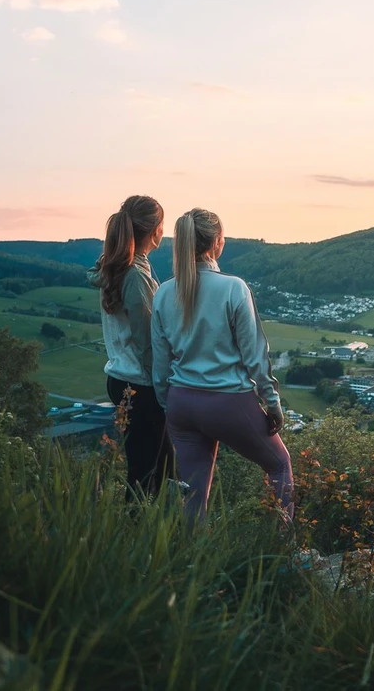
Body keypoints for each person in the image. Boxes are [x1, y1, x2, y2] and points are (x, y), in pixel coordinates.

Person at [151, 207, 292, 522]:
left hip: (181, 402)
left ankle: (191, 560)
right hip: (228, 401)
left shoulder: (163, 293)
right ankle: (284, 549)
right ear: (216, 242)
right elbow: (255, 356)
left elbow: (160, 365)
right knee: (279, 465)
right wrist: (272, 404)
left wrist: (168, 405)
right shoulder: (233, 288)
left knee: (193, 492)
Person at [86, 195, 172, 498]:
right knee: (144, 474)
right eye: (162, 224)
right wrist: (162, 385)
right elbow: (146, 339)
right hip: (141, 384)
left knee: (162, 468)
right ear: (154, 230)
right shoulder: (135, 275)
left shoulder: (119, 266)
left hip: (123, 378)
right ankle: (137, 533)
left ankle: (161, 531)